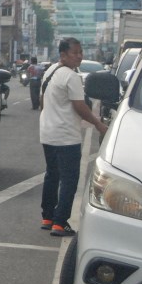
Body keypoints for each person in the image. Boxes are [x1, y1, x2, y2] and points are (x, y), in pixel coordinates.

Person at [39, 37, 108, 237]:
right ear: (63, 55)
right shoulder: (71, 77)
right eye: (75, 53)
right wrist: (98, 124)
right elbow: (80, 106)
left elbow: (44, 102)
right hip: (66, 136)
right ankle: (60, 223)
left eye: (80, 52)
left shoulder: (50, 71)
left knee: (52, 174)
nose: (79, 56)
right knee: (69, 179)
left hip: (48, 133)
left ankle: (48, 217)